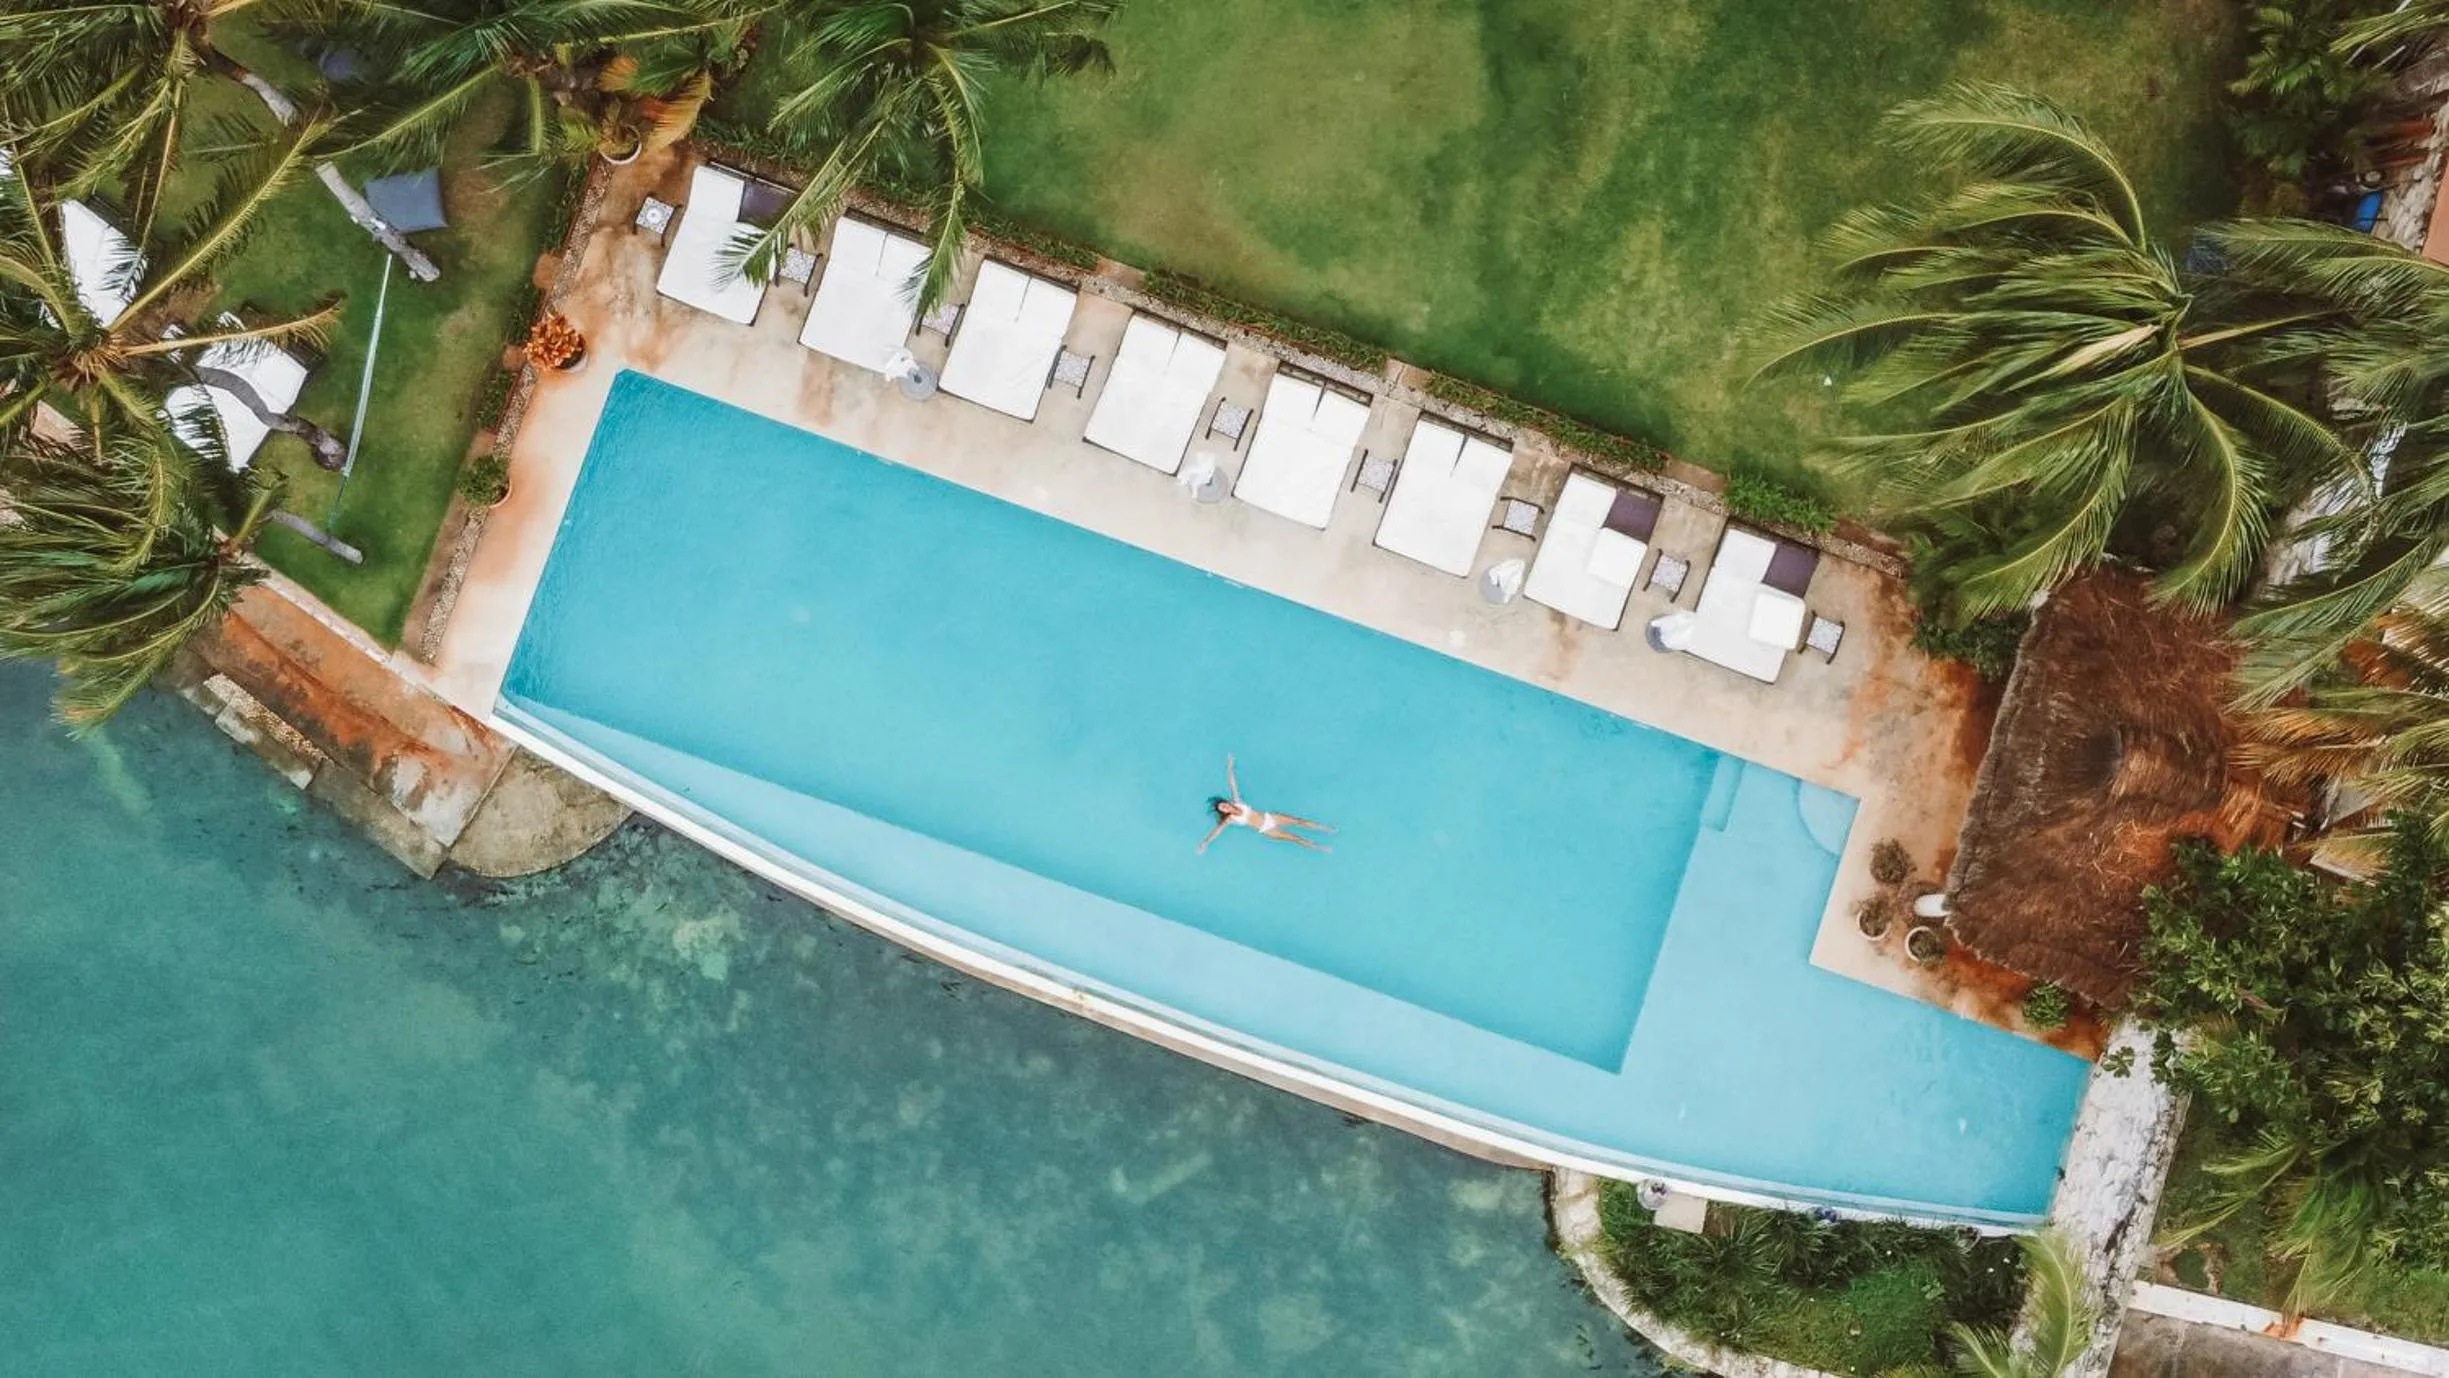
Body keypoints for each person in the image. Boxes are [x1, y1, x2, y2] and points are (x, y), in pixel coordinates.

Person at [1198, 755, 1334, 854]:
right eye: (1223, 809)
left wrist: (1230, 767)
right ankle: (1319, 847)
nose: (1226, 807)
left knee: (1300, 822)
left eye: (1224, 804)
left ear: (1227, 803)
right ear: (1224, 813)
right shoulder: (1230, 819)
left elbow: (1233, 784)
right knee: (1295, 838)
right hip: (1266, 829)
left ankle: (1327, 829)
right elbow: (1217, 831)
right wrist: (1206, 842)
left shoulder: (1237, 802)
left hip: (1271, 817)